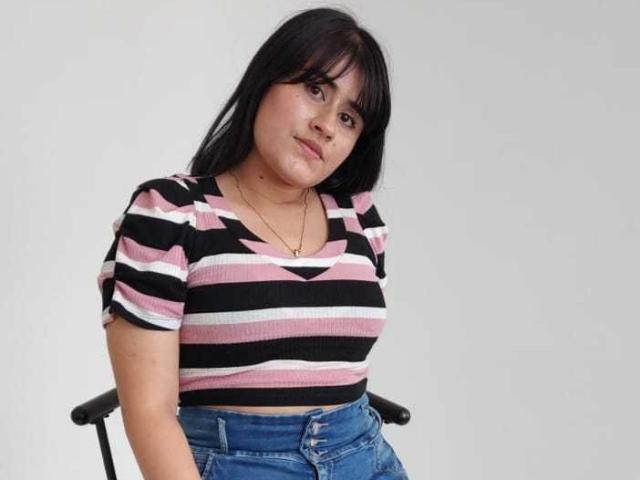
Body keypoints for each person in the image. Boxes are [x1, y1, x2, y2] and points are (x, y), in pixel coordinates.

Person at [98, 6, 408, 479]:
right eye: (315, 89)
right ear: (267, 78)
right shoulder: (172, 215)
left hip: (365, 458)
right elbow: (150, 413)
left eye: (349, 118)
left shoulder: (359, 219)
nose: (326, 124)